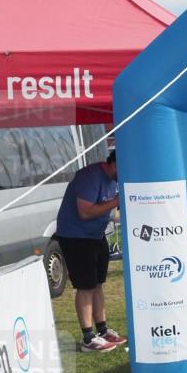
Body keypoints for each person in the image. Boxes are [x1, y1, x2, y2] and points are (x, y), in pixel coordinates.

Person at [55, 150, 126, 353]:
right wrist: (116, 201)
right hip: (76, 237)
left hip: (96, 236)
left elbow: (107, 210)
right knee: (85, 286)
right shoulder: (90, 176)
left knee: (97, 284)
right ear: (114, 164)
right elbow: (85, 212)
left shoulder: (113, 180)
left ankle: (102, 331)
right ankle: (88, 338)